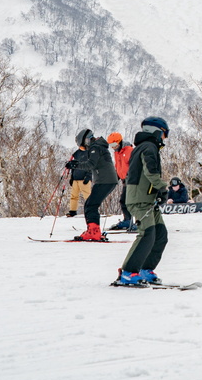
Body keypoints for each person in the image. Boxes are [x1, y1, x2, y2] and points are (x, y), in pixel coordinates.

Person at [116, 117, 171, 285]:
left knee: (160, 235)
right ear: (157, 132)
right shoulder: (148, 147)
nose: (164, 139)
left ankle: (145, 270)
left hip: (147, 199)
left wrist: (157, 192)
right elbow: (150, 171)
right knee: (147, 234)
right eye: (164, 134)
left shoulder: (144, 147)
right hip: (140, 200)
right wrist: (162, 188)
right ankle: (128, 272)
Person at [73, 133, 117, 242]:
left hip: (105, 180)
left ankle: (93, 232)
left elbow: (91, 164)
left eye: (83, 145)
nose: (85, 148)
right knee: (90, 204)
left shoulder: (95, 147)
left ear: (86, 140)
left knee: (91, 205)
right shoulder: (99, 146)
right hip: (106, 180)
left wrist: (75, 165)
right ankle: (93, 230)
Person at [108, 133, 136, 231]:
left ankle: (137, 222)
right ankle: (127, 220)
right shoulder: (116, 153)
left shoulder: (129, 150)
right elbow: (118, 167)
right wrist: (114, 178)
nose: (113, 147)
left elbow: (134, 165)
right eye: (111, 145)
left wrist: (131, 175)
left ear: (119, 142)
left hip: (132, 180)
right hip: (124, 180)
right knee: (123, 201)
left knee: (132, 202)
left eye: (114, 144)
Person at [66, 129, 94, 217]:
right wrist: (72, 177)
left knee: (88, 196)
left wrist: (88, 177)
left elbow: (91, 166)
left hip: (84, 179)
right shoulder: (76, 153)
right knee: (74, 196)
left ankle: (91, 211)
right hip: (76, 179)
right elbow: (73, 166)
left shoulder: (89, 153)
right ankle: (72, 211)